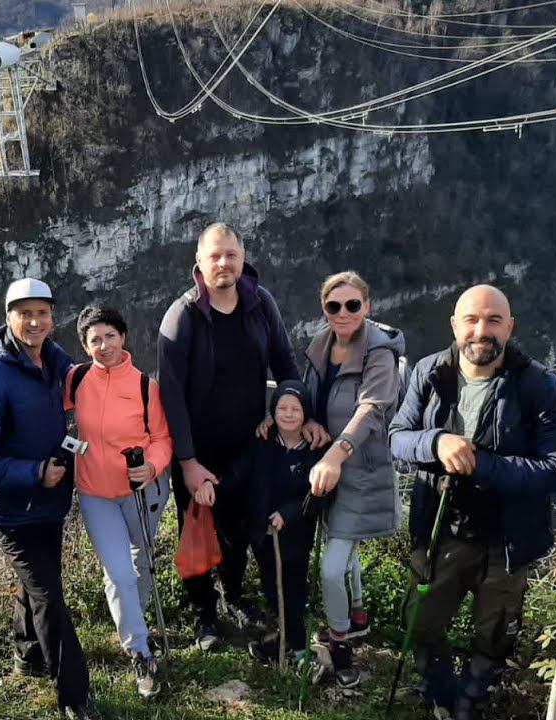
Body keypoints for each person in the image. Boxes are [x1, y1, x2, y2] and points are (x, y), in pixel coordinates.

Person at [389, 284, 556, 720]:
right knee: (421, 619)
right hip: (442, 527)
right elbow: (397, 438)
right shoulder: (430, 373)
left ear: (509, 326)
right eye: (471, 320)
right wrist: (436, 442)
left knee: (495, 632)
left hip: (508, 538)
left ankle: (472, 704)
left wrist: (479, 465)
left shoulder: (538, 385)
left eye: (493, 320)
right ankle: (441, 691)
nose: (481, 330)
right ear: (455, 325)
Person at [158, 222, 328, 651]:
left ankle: (232, 596)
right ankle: (204, 617)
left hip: (249, 444)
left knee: (237, 527)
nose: (223, 263)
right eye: (214, 256)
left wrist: (301, 413)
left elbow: (285, 364)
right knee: (195, 528)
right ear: (199, 262)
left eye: (231, 255)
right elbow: (171, 394)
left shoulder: (260, 303)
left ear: (242, 257)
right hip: (199, 448)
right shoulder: (184, 314)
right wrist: (188, 461)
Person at [0, 278, 100, 720]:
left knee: (36, 585)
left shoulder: (56, 364)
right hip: (15, 513)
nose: (34, 321)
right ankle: (75, 696)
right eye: (25, 313)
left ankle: (27, 657)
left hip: (49, 505)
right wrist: (36, 473)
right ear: (8, 317)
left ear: (53, 318)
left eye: (42, 313)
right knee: (51, 598)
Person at [302, 271, 406, 688]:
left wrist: (335, 453)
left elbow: (373, 408)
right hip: (327, 465)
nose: (342, 313)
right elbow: (311, 394)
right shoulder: (319, 346)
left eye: (352, 305)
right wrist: (307, 420)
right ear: (324, 309)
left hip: (360, 470)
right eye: (333, 306)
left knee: (332, 565)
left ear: (367, 305)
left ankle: (341, 642)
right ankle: (358, 616)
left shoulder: (379, 354)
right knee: (340, 545)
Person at [65, 305, 172, 699]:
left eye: (110, 336)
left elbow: (162, 438)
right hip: (96, 493)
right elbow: (42, 411)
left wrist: (154, 467)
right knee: (121, 573)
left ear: (123, 337)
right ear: (84, 344)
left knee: (142, 563)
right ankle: (140, 651)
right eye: (95, 339)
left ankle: (135, 620)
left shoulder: (146, 386)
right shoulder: (75, 380)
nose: (104, 345)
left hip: (143, 491)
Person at [227, 380, 325, 668]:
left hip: (295, 535)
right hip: (263, 532)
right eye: (282, 407)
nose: (289, 414)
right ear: (273, 411)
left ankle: (298, 650)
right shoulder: (263, 442)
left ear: (306, 412)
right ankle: (282, 640)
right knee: (271, 586)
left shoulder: (315, 449)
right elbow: (239, 472)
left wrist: (288, 513)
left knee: (293, 589)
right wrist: (212, 485)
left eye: (296, 408)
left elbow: (316, 494)